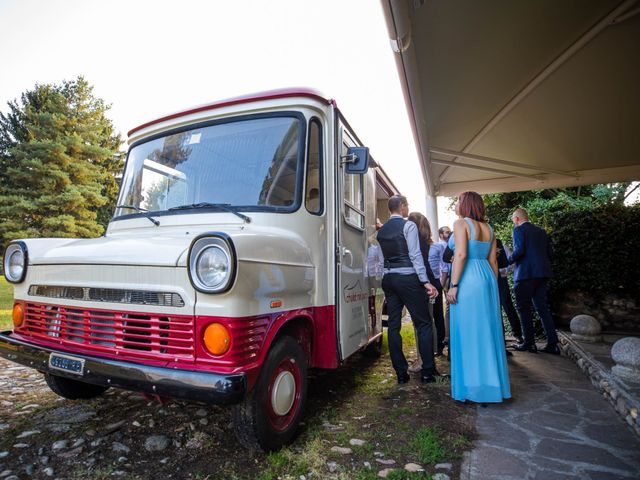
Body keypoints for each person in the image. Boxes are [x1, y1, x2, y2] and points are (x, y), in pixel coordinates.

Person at [446, 191, 511, 403]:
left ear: (465, 204)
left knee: (469, 332)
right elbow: (494, 261)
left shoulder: (460, 224)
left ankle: (472, 389)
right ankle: (491, 387)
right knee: (487, 332)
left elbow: (461, 255)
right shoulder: (489, 228)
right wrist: (492, 286)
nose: (456, 204)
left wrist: (454, 285)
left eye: (458, 200)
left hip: (468, 279)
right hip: (487, 279)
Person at [378, 195, 439, 384]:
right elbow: (415, 254)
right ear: (402, 206)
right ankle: (428, 371)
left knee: (393, 326)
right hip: (408, 278)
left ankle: (401, 374)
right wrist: (425, 281)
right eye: (407, 206)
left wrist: (386, 277)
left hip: (389, 279)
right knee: (424, 323)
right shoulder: (408, 226)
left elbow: (381, 260)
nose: (407, 209)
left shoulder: (381, 232)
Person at [508, 208, 560, 354]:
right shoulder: (541, 231)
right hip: (543, 273)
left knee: (524, 308)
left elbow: (519, 251)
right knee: (542, 308)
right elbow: (550, 253)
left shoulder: (518, 230)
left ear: (517, 219)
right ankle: (553, 344)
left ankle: (529, 343)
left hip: (525, 274)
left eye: (513, 220)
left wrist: (507, 261)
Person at [406, 212, 442, 372]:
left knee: (421, 324)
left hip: (422, 283)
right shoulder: (426, 242)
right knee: (428, 322)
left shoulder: (414, 242)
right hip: (430, 281)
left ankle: (423, 360)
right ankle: (427, 357)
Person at [496, 237, 524, 344]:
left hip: (501, 279)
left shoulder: (501, 246)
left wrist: (504, 271)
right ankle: (500, 339)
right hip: (489, 280)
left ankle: (518, 334)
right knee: (495, 308)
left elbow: (511, 262)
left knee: (508, 306)